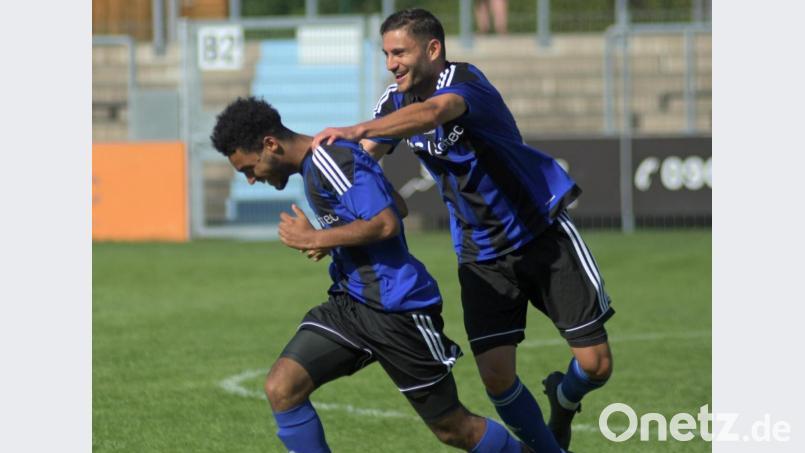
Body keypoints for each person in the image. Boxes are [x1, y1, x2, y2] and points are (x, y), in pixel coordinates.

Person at [311, 8, 614, 451]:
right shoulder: (393, 102)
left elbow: (436, 112)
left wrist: (358, 128)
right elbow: (361, 163)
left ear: (433, 50)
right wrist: (340, 219)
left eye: (400, 52)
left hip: (541, 235)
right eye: (386, 54)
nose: (391, 63)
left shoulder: (466, 82)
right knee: (496, 378)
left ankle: (563, 400)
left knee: (596, 366)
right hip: (480, 254)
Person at [210, 97, 532, 453]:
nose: (251, 180)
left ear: (270, 144)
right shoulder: (320, 165)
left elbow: (387, 222)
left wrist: (316, 236)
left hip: (397, 309)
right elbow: (397, 203)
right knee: (282, 387)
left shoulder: (331, 159)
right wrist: (331, 242)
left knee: (454, 429)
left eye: (249, 169)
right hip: (351, 304)